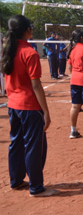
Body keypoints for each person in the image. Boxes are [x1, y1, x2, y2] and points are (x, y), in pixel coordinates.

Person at [0, 15, 59, 197]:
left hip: (13, 105)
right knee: (34, 146)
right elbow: (36, 85)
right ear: (27, 30)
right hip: (29, 106)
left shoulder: (8, 50)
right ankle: (36, 187)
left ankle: (16, 180)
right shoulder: (29, 52)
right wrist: (46, 112)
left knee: (16, 144)